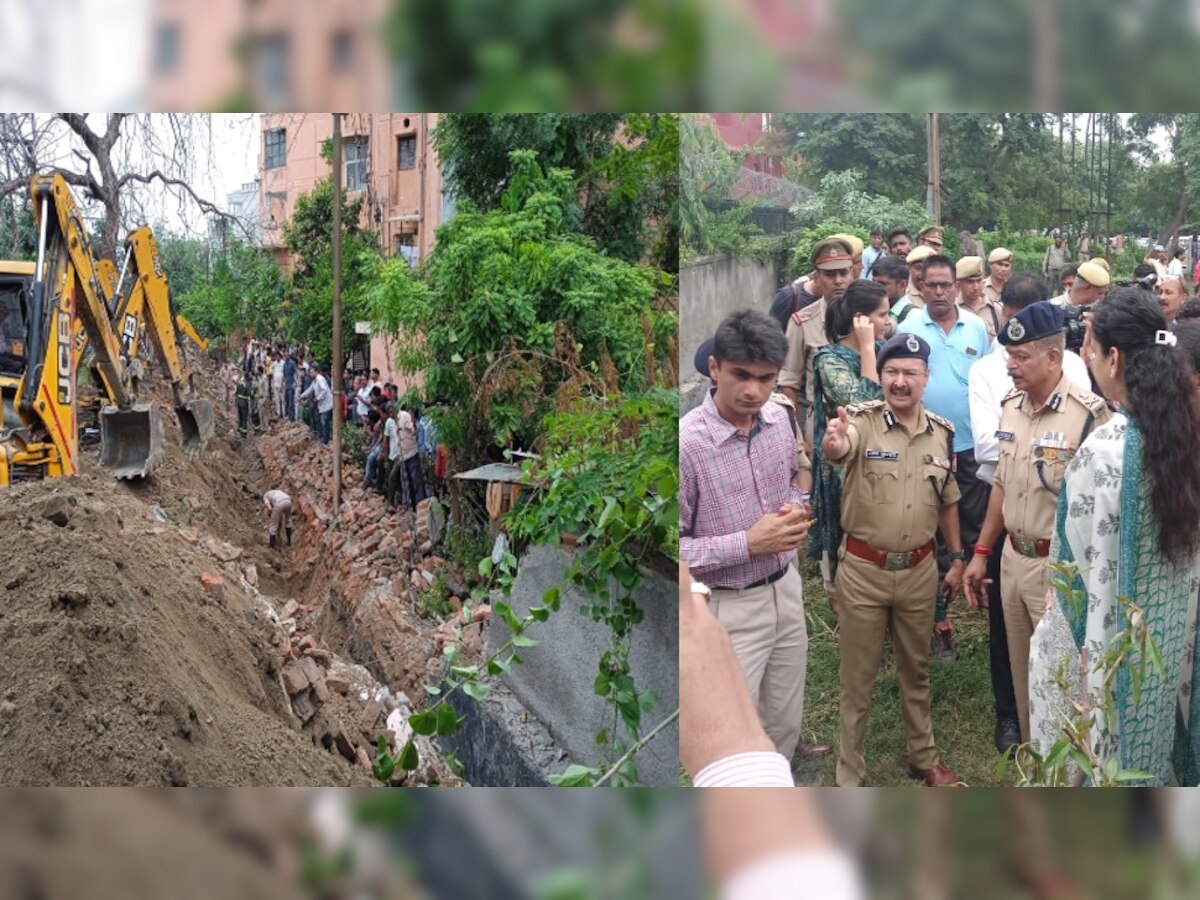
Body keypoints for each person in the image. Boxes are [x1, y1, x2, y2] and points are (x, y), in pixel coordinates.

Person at [1028, 287, 1200, 786]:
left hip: (1109, 651)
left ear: (1114, 357)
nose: (1085, 356)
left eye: (1089, 345)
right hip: (1169, 645)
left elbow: (1073, 577)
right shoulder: (1184, 437)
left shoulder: (1106, 449)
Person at [962, 302, 1112, 746]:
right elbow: (1003, 485)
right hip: (1011, 560)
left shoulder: (1089, 416)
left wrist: (1071, 576)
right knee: (1022, 669)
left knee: (1062, 677)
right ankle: (1032, 760)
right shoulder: (1011, 407)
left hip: (1057, 569)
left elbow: (1098, 511)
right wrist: (982, 553)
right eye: (1008, 355)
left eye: (1021, 356)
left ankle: (1068, 774)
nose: (1010, 366)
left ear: (1053, 356)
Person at [822, 332, 965, 787]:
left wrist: (957, 557)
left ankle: (923, 758)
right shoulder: (860, 422)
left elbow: (947, 501)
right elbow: (839, 451)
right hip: (864, 572)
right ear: (879, 376)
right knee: (857, 681)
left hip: (920, 571)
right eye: (891, 373)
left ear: (926, 377)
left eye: (909, 373)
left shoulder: (942, 434)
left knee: (916, 670)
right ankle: (849, 775)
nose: (900, 382)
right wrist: (833, 442)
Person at [680, 308, 817, 767]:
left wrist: (794, 510)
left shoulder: (779, 421)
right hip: (726, 606)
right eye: (740, 375)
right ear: (714, 368)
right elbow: (675, 550)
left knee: (783, 720)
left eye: (766, 378)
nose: (753, 390)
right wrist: (747, 542)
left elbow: (788, 483)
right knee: (734, 742)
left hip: (785, 588)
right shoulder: (686, 446)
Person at [898, 254, 991, 663]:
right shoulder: (908, 328)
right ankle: (938, 621)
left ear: (957, 286)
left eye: (945, 285)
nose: (938, 292)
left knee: (973, 526)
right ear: (920, 286)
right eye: (930, 285)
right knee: (927, 530)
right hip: (924, 444)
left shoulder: (977, 326)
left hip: (970, 444)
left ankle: (985, 607)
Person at [809, 280, 888, 605]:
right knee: (847, 542)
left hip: (881, 457)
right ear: (862, 320)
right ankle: (845, 606)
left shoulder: (886, 351)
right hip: (843, 465)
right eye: (882, 315)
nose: (888, 322)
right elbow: (862, 406)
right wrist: (868, 349)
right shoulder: (830, 359)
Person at [778, 236, 853, 455]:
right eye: (830, 274)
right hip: (820, 426)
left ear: (853, 273)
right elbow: (788, 383)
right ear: (817, 277)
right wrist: (799, 442)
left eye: (844, 272)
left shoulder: (868, 317)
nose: (838, 280)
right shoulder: (802, 322)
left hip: (863, 424)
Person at [955, 255, 1001, 344]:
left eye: (979, 281)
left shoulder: (995, 310)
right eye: (970, 282)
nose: (976, 287)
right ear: (958, 284)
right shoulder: (953, 309)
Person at [872, 255, 912, 333]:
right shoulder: (872, 309)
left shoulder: (911, 317)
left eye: (882, 284)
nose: (875, 287)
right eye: (873, 282)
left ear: (902, 285)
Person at [298, 364, 333, 444]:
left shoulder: (320, 379)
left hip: (326, 404)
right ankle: (323, 439)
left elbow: (324, 390)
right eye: (310, 373)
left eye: (312, 373)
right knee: (322, 422)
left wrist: (317, 398)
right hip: (322, 404)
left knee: (324, 422)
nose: (311, 374)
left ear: (316, 372)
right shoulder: (315, 381)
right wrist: (301, 396)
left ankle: (325, 441)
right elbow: (309, 390)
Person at [235, 371, 255, 438]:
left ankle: (240, 429)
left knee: (240, 416)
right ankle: (244, 433)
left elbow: (236, 393)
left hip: (238, 402)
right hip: (244, 403)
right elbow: (250, 394)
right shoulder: (247, 384)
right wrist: (253, 392)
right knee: (244, 418)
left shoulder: (240, 383)